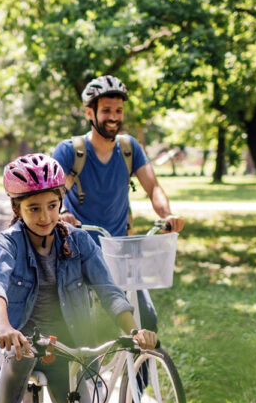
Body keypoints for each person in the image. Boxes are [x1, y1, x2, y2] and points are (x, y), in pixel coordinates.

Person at [0, 153, 158, 403]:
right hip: (17, 343)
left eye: (52, 206)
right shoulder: (10, 243)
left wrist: (132, 330)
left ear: (61, 203)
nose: (45, 216)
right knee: (21, 353)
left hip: (63, 348)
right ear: (17, 209)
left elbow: (109, 290)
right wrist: (2, 326)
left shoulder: (79, 242)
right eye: (33, 208)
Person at [52, 74, 184, 337]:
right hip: (80, 252)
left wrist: (167, 214)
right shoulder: (71, 151)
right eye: (106, 111)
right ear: (90, 113)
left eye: (119, 111)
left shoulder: (129, 148)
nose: (114, 117)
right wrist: (63, 213)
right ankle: (83, 375)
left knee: (145, 318)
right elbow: (55, 195)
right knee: (79, 328)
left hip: (120, 250)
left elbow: (153, 187)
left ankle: (140, 376)